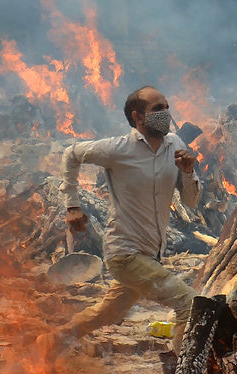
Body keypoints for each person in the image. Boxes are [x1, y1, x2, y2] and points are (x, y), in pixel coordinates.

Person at [54, 85, 201, 354]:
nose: (166, 113)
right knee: (188, 303)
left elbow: (191, 201)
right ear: (138, 117)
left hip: (150, 253)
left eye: (167, 107)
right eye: (158, 109)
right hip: (124, 253)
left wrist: (189, 173)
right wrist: (72, 206)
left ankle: (51, 342)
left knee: (108, 313)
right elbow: (71, 154)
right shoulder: (118, 149)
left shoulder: (176, 145)